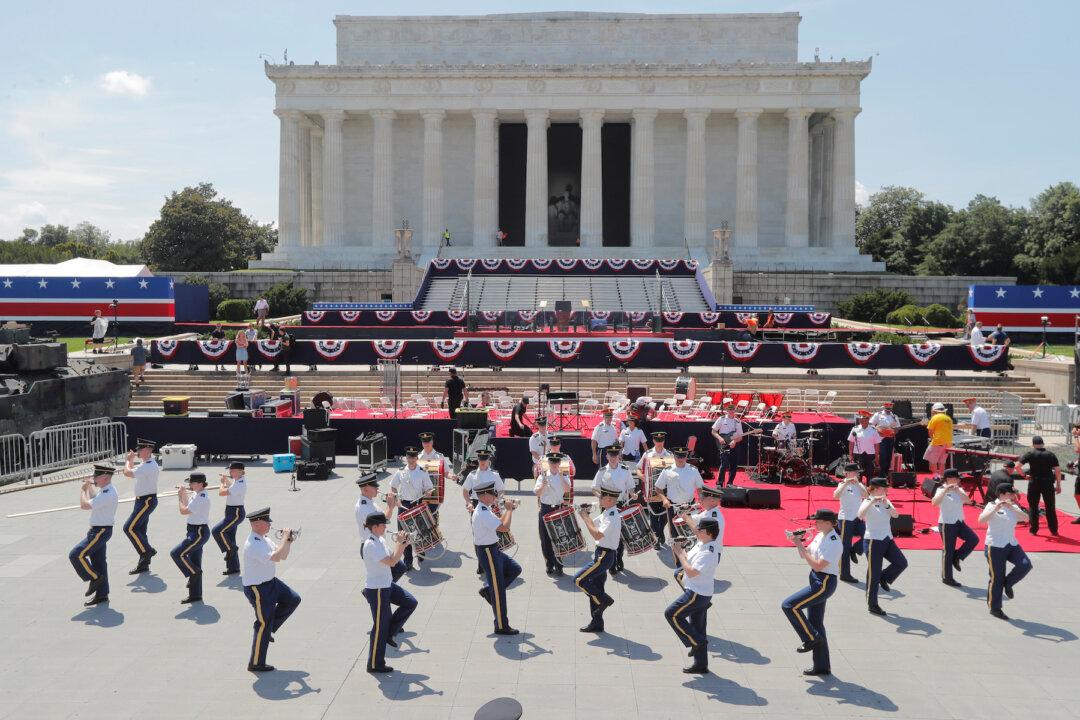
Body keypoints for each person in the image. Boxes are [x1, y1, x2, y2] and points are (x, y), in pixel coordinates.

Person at [781, 509, 843, 677]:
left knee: (789, 605)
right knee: (815, 622)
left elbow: (818, 565)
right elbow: (806, 556)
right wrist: (798, 542)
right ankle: (822, 666)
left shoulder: (834, 542)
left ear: (829, 523)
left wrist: (801, 545)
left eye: (819, 521)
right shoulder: (820, 535)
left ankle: (810, 638)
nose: (815, 523)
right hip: (816, 578)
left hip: (823, 582)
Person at [241, 507, 301, 672]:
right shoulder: (253, 543)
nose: (270, 525)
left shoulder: (264, 539)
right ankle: (256, 663)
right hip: (258, 589)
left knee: (293, 599)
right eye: (267, 522)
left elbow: (282, 556)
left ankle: (269, 629)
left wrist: (287, 541)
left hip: (271, 583)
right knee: (263, 624)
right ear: (258, 524)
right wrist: (284, 538)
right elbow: (275, 556)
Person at [361, 512, 418, 673]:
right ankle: (374, 664)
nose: (386, 527)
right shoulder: (371, 544)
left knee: (410, 602)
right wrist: (400, 544)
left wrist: (404, 544)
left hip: (386, 584)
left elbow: (393, 557)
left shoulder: (380, 539)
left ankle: (389, 633)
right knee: (379, 626)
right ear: (375, 527)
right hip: (377, 589)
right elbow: (392, 562)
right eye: (383, 525)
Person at [665, 518, 721, 674]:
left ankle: (697, 642)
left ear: (709, 533)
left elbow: (691, 572)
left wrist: (680, 554)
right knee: (698, 627)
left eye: (700, 530)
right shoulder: (701, 543)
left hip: (697, 593)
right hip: (698, 591)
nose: (696, 531)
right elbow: (686, 561)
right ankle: (701, 664)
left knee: (672, 614)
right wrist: (678, 549)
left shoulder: (709, 552)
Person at [473, 481, 521, 635]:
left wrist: (508, 510)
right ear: (485, 495)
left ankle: (489, 591)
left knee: (515, 569)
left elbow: (500, 522)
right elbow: (504, 527)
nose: (495, 497)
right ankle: (501, 625)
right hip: (487, 551)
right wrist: (509, 510)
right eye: (493, 494)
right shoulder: (482, 512)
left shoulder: (485, 508)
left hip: (493, 549)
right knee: (499, 590)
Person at [978, 484, 1032, 620]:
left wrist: (1012, 507)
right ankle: (995, 607)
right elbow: (981, 520)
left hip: (1011, 544)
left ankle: (1008, 583)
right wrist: (996, 508)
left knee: (1025, 565)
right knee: (997, 578)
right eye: (1010, 493)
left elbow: (1026, 518)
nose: (1013, 496)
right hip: (995, 546)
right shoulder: (991, 505)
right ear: (1002, 494)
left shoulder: (1013, 506)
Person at [576, 482, 622, 633]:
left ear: (609, 499)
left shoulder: (612, 516)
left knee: (579, 580)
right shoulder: (608, 511)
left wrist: (584, 517)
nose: (599, 498)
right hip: (601, 552)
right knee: (596, 588)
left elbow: (596, 534)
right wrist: (586, 514)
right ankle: (597, 622)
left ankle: (605, 600)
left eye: (602, 496)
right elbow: (594, 524)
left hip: (604, 556)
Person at [70, 463, 118, 606]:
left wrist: (83, 490)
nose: (94, 478)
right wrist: (90, 487)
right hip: (99, 530)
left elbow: (84, 505)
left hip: (100, 531)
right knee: (99, 562)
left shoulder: (108, 494)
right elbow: (94, 500)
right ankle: (102, 594)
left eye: (96, 476)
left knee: (76, 554)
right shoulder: (106, 491)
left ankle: (95, 578)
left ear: (105, 477)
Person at [858, 477, 908, 616]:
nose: (886, 490)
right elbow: (860, 515)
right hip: (873, 540)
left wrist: (886, 504)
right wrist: (872, 501)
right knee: (874, 573)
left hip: (887, 539)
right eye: (883, 488)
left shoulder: (887, 501)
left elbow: (896, 515)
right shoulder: (867, 501)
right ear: (875, 489)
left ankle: (884, 577)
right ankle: (872, 604)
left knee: (901, 563)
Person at [387, 447, 434, 571]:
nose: (411, 459)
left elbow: (429, 488)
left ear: (417, 458)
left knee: (420, 531)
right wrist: (396, 498)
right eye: (409, 457)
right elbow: (393, 487)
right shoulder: (400, 471)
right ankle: (408, 560)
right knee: (404, 534)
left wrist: (428, 492)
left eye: (414, 457)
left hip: (417, 504)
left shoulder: (422, 471)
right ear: (406, 458)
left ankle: (421, 552)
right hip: (404, 505)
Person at [355, 475, 406, 582]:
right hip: (372, 546)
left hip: (379, 543)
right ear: (365, 489)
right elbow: (382, 520)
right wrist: (390, 505)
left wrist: (392, 504)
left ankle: (386, 590)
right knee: (393, 571)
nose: (378, 489)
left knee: (399, 569)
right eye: (374, 487)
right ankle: (380, 591)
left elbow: (382, 515)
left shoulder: (370, 501)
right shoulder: (363, 507)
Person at [932, 469, 978, 587]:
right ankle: (947, 577)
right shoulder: (940, 489)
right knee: (948, 551)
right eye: (956, 478)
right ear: (948, 479)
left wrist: (958, 491)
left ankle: (957, 557)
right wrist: (946, 489)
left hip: (959, 522)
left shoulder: (959, 489)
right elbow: (934, 503)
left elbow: (968, 500)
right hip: (947, 523)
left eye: (958, 478)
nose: (958, 480)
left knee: (973, 539)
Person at [653, 447, 705, 551]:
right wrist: (664, 499)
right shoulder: (667, 470)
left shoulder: (693, 470)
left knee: (690, 533)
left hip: (689, 507)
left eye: (683, 456)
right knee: (674, 534)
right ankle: (678, 562)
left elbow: (700, 488)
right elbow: (658, 487)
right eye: (678, 457)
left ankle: (690, 557)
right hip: (673, 507)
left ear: (686, 456)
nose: (680, 459)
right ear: (674, 457)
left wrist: (701, 500)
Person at [171, 472, 211, 604]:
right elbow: (188, 505)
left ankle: (194, 573)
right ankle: (195, 595)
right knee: (194, 561)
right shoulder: (197, 493)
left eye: (192, 483)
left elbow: (183, 510)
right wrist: (183, 494)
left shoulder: (201, 497)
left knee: (177, 554)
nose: (190, 485)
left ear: (200, 483)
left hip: (199, 532)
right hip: (193, 530)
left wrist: (179, 498)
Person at [121, 439, 160, 574]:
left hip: (146, 501)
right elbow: (132, 471)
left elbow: (127, 472)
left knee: (129, 528)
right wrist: (131, 461)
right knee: (140, 531)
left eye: (140, 449)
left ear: (148, 451)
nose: (137, 451)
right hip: (141, 501)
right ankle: (144, 563)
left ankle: (147, 551)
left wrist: (128, 460)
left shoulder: (148, 465)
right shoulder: (145, 463)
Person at [593, 445, 634, 574]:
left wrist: (633, 494)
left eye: (615, 455)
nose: (613, 458)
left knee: (620, 535)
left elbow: (631, 486)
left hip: (620, 505)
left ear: (619, 456)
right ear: (607, 456)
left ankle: (618, 559)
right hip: (606, 507)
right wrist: (602, 498)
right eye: (611, 455)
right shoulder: (602, 471)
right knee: (605, 535)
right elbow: (594, 487)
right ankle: (610, 563)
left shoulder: (625, 470)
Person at [535, 453, 572, 577]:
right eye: (552, 462)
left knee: (559, 538)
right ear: (549, 463)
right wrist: (543, 485)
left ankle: (559, 564)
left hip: (557, 508)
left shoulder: (564, 475)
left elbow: (567, 490)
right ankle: (549, 564)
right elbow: (537, 492)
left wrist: (561, 477)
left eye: (556, 462)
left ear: (559, 463)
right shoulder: (543, 476)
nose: (554, 465)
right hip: (545, 508)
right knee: (545, 539)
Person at [1019, 436, 1062, 536]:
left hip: (1034, 482)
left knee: (1033, 506)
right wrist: (1058, 485)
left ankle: (1034, 530)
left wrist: (1024, 475)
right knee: (1050, 507)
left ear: (1033, 445)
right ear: (1043, 444)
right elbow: (1058, 471)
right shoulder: (1051, 455)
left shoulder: (1030, 454)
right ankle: (1054, 530)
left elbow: (1017, 466)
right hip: (1048, 483)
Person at [833, 462, 867, 583]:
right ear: (848, 473)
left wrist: (858, 484)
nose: (857, 474)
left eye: (858, 472)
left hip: (858, 518)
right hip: (846, 519)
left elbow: (867, 495)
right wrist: (845, 483)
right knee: (845, 547)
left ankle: (855, 550)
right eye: (855, 472)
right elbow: (835, 496)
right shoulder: (841, 484)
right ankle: (844, 574)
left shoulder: (858, 484)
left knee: (868, 536)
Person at [638, 432, 674, 547]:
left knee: (664, 517)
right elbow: (638, 468)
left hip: (665, 492)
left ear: (664, 441)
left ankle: (660, 532)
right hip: (651, 491)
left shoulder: (669, 454)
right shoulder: (647, 454)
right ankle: (656, 537)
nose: (659, 442)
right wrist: (641, 476)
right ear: (653, 441)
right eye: (657, 440)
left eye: (661, 440)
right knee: (653, 517)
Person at [212, 461, 248, 576]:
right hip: (231, 511)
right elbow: (231, 486)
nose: (230, 472)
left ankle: (232, 549)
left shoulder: (240, 483)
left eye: (232, 470)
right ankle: (233, 567)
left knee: (217, 531)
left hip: (235, 512)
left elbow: (222, 493)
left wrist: (222, 483)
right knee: (229, 538)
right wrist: (226, 481)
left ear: (240, 471)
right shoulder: (237, 481)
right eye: (230, 470)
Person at [710, 405, 744, 487]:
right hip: (723, 444)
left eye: (733, 409)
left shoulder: (737, 421)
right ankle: (719, 483)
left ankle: (730, 483)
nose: (732, 411)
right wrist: (720, 438)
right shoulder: (721, 419)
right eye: (730, 409)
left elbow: (740, 436)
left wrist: (735, 441)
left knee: (734, 464)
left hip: (734, 445)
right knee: (724, 464)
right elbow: (713, 431)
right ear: (727, 411)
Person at [848, 411, 881, 482]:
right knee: (858, 475)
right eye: (860, 419)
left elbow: (877, 444)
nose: (861, 420)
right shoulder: (855, 429)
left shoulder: (873, 430)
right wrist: (850, 455)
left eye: (863, 419)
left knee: (870, 474)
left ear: (868, 420)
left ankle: (869, 491)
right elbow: (851, 442)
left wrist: (877, 456)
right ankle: (859, 490)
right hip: (858, 454)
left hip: (870, 455)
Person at [869, 401, 901, 473]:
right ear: (884, 407)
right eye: (887, 408)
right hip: (880, 438)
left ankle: (886, 472)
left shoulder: (894, 416)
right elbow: (871, 424)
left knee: (889, 456)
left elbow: (898, 427)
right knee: (883, 455)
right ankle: (882, 473)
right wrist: (878, 430)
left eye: (890, 408)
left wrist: (894, 432)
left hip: (890, 438)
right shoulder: (878, 415)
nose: (888, 409)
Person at [923, 403, 953, 478]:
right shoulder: (948, 418)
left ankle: (936, 477)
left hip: (938, 441)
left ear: (935, 411)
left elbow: (930, 431)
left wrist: (932, 440)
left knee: (932, 460)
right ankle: (942, 477)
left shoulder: (935, 417)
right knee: (942, 462)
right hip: (948, 443)